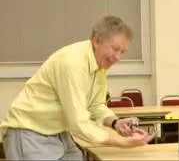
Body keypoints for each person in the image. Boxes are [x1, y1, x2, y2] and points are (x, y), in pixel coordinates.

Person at [0, 15, 155, 160]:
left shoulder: (99, 64)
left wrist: (115, 123)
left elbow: (95, 105)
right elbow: (78, 123)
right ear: (96, 40)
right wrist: (121, 142)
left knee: (76, 156)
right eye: (115, 49)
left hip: (57, 131)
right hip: (29, 130)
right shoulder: (73, 63)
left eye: (123, 52)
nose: (118, 58)